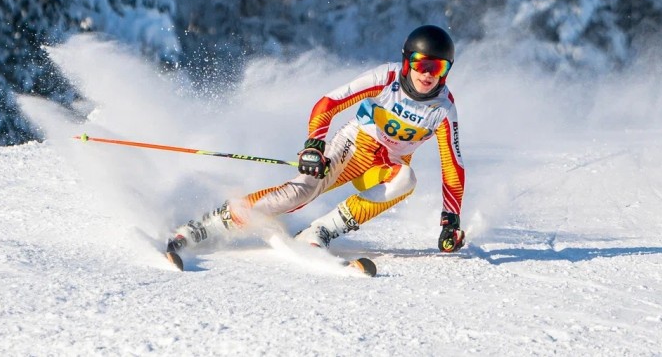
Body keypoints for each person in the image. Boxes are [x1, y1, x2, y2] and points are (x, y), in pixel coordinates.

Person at [166, 24, 466, 257]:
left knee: (406, 179)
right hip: (352, 147)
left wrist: (450, 220)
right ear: (407, 62)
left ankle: (318, 233)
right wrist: (315, 145)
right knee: (297, 195)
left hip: (386, 165)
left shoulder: (442, 108)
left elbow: (453, 166)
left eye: (438, 68)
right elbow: (329, 102)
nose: (428, 75)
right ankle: (204, 227)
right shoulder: (386, 78)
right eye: (422, 64)